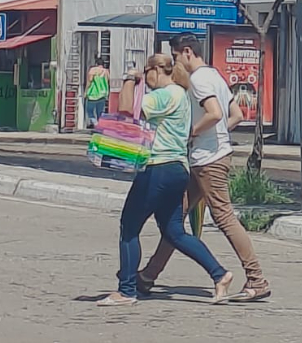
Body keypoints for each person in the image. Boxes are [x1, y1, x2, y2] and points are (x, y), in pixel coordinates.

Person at [139, 33, 271, 303]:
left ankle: (257, 279)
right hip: (205, 158)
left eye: (175, 57)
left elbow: (215, 113)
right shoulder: (215, 75)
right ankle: (147, 276)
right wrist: (216, 135)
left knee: (223, 217)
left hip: (208, 161)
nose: (175, 64)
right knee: (174, 219)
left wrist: (192, 133)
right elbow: (236, 115)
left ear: (187, 52)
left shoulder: (198, 80)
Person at [99, 53, 231, 308]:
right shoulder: (181, 95)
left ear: (156, 71)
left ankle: (126, 289)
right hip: (178, 169)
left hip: (157, 168)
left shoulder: (163, 95)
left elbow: (125, 109)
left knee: (129, 227)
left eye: (147, 74)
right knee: (174, 231)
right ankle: (219, 273)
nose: (146, 79)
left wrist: (129, 79)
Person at [85, 57, 110, 127]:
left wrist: (86, 91)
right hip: (103, 94)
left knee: (89, 111)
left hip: (93, 94)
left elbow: (89, 81)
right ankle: (101, 126)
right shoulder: (106, 71)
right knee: (100, 112)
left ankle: (96, 124)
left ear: (96, 64)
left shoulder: (93, 70)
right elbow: (108, 82)